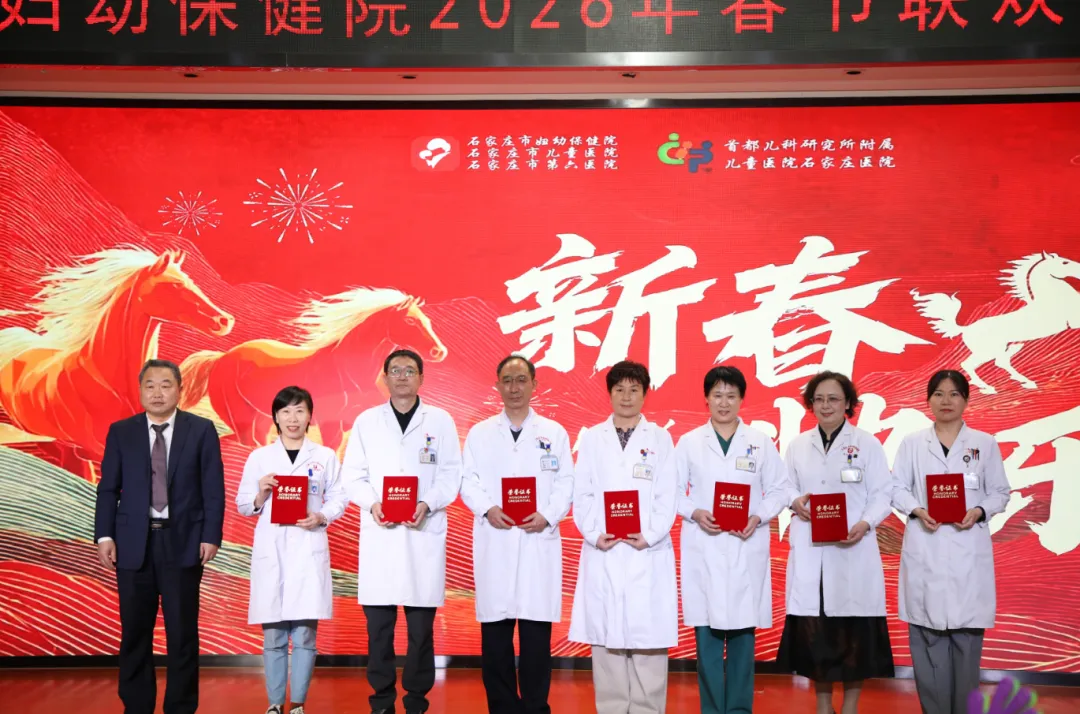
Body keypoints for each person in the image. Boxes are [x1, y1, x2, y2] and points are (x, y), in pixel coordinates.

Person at [94, 358, 225, 714]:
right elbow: (108, 489)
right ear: (140, 391)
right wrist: (104, 535)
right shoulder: (122, 432)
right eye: (149, 385)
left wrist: (211, 535)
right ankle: (137, 706)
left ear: (179, 390)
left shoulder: (201, 430)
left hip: (183, 542)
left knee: (182, 633)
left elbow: (213, 488)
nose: (157, 392)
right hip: (132, 545)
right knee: (135, 632)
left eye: (165, 385)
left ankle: (180, 707)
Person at [340, 348, 462, 714]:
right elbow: (353, 476)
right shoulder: (367, 421)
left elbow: (451, 474)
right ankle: (381, 702)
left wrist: (428, 502)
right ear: (385, 377)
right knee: (379, 631)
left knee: (420, 632)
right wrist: (373, 504)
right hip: (381, 534)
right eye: (396, 370)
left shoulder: (440, 421)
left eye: (410, 370)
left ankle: (416, 701)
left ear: (421, 377)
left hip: (423, 532)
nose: (403, 376)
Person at [459, 354, 574, 714]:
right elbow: (467, 481)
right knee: (496, 640)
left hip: (538, 542)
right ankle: (503, 708)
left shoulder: (553, 433)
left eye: (521, 380)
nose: (514, 387)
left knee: (536, 641)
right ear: (497, 385)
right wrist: (488, 509)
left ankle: (536, 708)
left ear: (534, 385)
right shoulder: (480, 433)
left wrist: (548, 515)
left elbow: (566, 483)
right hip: (496, 541)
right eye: (507, 380)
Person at [891, 370, 1011, 714]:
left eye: (954, 394)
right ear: (928, 400)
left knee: (966, 645)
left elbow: (1000, 492)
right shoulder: (913, 443)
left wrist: (978, 510)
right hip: (925, 547)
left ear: (966, 400)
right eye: (939, 394)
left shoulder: (984, 443)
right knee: (927, 644)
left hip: (967, 551)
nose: (946, 401)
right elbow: (896, 487)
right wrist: (917, 509)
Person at [775, 371, 895, 714]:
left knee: (854, 638)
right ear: (810, 404)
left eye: (833, 399)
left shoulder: (867, 444)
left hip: (853, 552)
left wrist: (865, 523)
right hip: (813, 553)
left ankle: (851, 707)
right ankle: (824, 706)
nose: (826, 405)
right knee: (818, 638)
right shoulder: (798, 445)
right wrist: (795, 501)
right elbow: (785, 486)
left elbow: (882, 494)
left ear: (848, 404)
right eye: (819, 399)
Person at [674, 366, 790, 714]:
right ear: (706, 398)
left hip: (745, 545)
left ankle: (739, 709)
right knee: (707, 641)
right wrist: (695, 512)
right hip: (704, 546)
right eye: (717, 395)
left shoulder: (760, 441)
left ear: (741, 399)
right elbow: (672, 492)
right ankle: (712, 709)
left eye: (731, 396)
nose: (723, 403)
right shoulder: (689, 442)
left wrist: (759, 516)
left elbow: (780, 489)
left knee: (742, 640)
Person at [568, 360, 678, 714]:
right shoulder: (592, 438)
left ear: (645, 394)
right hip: (606, 548)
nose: (626, 396)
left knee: (648, 644)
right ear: (609, 393)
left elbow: (668, 494)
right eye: (619, 389)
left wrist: (650, 535)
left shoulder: (660, 438)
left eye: (634, 390)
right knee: (607, 644)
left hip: (646, 551)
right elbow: (582, 492)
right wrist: (594, 533)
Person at [236, 386, 350, 714]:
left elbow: (340, 497)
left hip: (307, 548)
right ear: (275, 416)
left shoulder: (324, 456)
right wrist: (260, 494)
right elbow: (243, 505)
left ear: (310, 416)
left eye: (300, 410)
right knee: (273, 636)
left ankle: (298, 703)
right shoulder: (260, 458)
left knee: (304, 636)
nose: (293, 418)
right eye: (286, 411)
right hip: (271, 550)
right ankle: (274, 704)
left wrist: (321, 516)